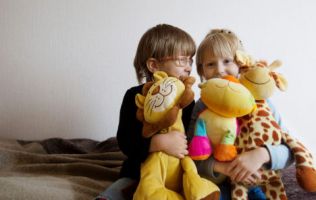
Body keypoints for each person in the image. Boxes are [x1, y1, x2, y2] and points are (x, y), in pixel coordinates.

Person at [188, 29, 294, 200]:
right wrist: (222, 167)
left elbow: (290, 150)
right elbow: (191, 155)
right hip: (219, 183)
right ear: (202, 71)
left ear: (241, 63)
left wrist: (261, 155)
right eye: (210, 64)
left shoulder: (260, 101)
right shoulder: (202, 106)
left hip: (257, 183)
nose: (219, 70)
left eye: (227, 61)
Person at [95, 24, 196, 200]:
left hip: (176, 174)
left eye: (190, 60)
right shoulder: (134, 96)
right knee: (120, 190)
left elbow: (192, 138)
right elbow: (125, 141)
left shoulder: (187, 99)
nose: (188, 67)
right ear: (154, 65)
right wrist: (156, 143)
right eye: (182, 60)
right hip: (139, 171)